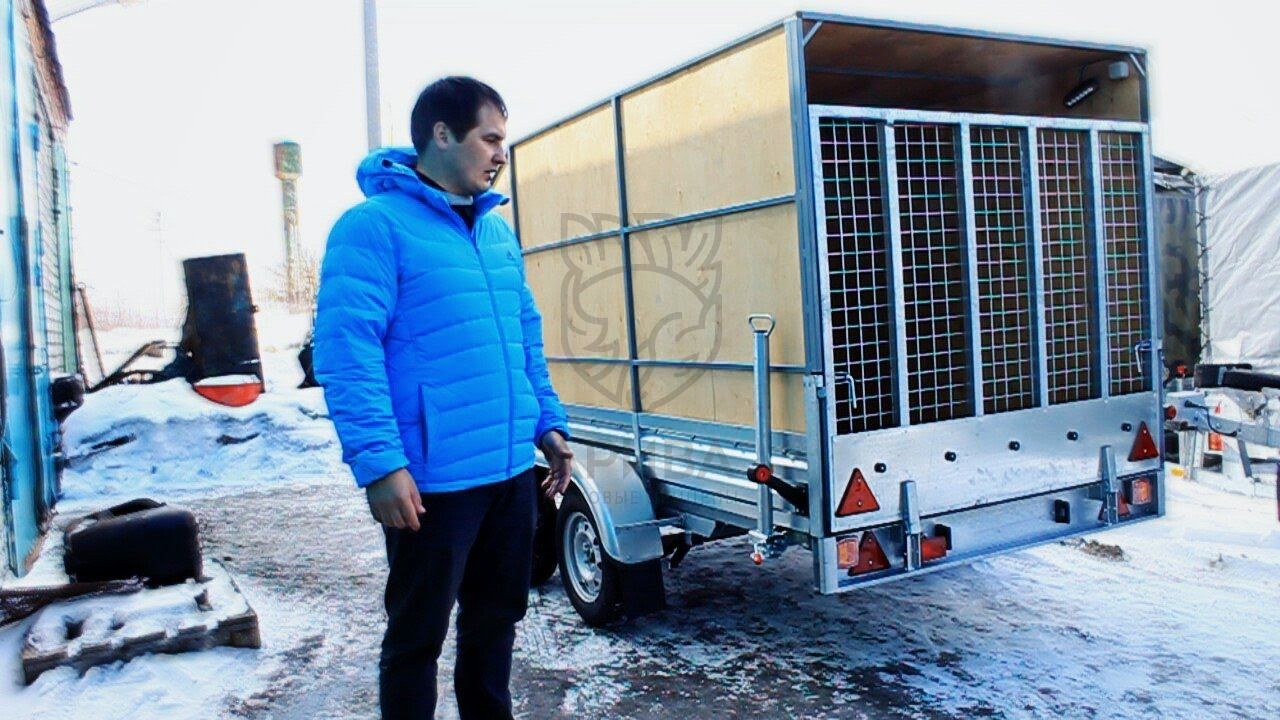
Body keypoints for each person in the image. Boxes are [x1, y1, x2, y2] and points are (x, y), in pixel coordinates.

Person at [312, 76, 574, 720]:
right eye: (490, 138)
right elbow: (347, 353)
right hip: (432, 483)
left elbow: (524, 337)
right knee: (417, 637)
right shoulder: (374, 227)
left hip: (508, 473)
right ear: (442, 135)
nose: (501, 154)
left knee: (496, 623)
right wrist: (381, 465)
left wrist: (548, 424)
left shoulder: (496, 234)